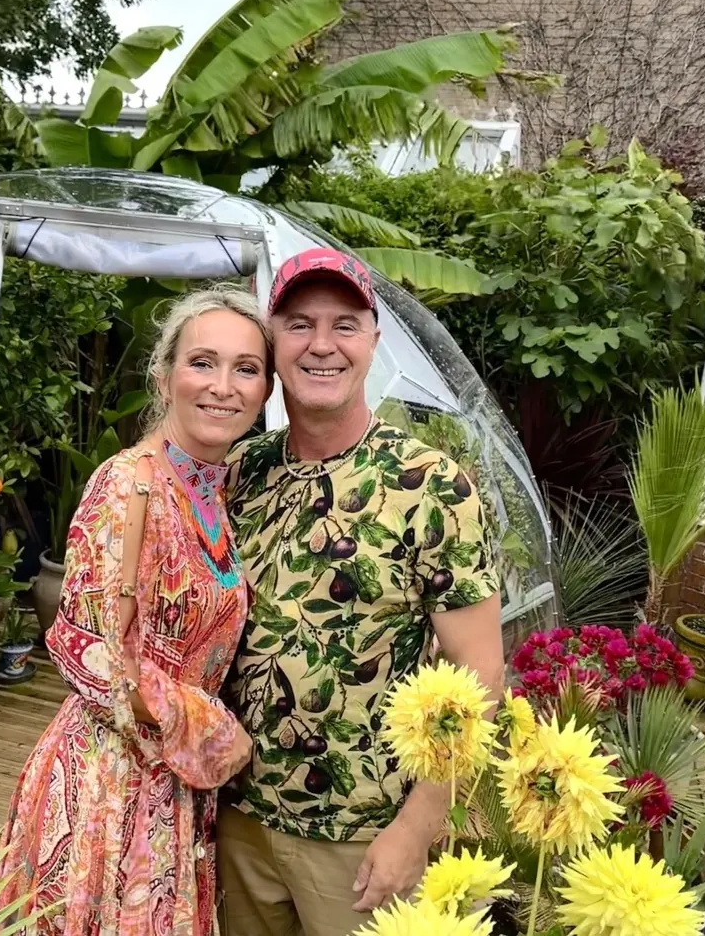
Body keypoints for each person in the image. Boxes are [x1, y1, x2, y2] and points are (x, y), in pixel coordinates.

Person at [219, 249, 506, 936]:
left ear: (374, 340)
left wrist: (419, 824)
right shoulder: (242, 470)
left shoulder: (429, 484)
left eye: (344, 324)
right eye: (299, 324)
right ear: (273, 339)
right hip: (238, 822)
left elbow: (479, 674)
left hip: (360, 837)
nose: (322, 344)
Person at [0, 287, 272, 936]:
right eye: (203, 362)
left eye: (246, 368)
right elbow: (91, 655)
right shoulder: (128, 483)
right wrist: (211, 726)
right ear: (164, 375)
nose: (222, 386)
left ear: (263, 391)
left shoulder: (221, 494)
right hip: (106, 791)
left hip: (176, 791)